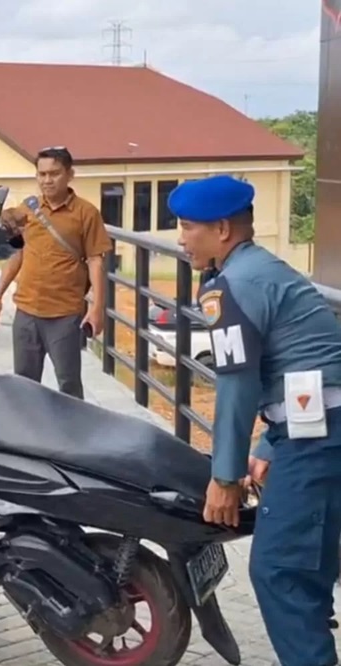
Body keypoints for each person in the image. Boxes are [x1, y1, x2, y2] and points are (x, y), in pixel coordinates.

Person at [171, 174, 341, 666]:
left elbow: (237, 385)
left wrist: (224, 477)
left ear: (222, 228)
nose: (181, 239)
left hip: (319, 444)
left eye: (187, 227)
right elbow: (307, 367)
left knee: (280, 571)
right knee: (303, 567)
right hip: (314, 432)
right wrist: (268, 447)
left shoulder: (235, 286)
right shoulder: (259, 271)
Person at [0, 146, 111, 399]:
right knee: (24, 383)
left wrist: (97, 308)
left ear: (70, 174)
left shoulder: (86, 213)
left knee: (68, 385)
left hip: (64, 313)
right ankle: (28, 436)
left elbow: (95, 261)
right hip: (27, 310)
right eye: (41, 174)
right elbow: (18, 253)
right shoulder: (28, 209)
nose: (47, 180)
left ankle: (73, 435)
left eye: (54, 174)